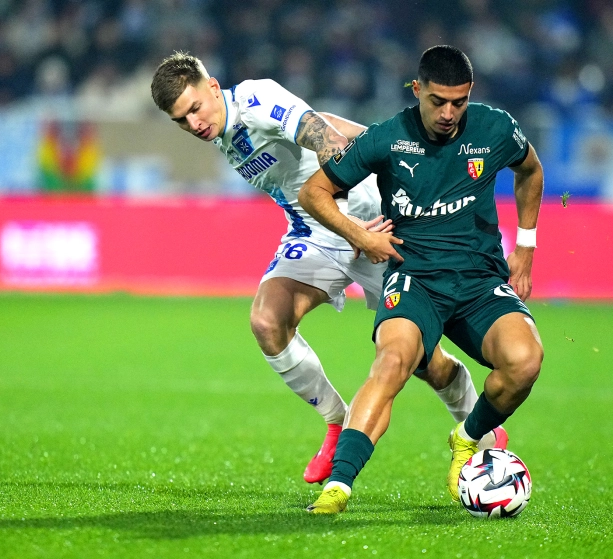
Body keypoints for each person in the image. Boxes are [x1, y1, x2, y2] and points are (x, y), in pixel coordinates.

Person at [149, 52, 504, 485]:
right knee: (267, 321)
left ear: (211, 86)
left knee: (421, 360)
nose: (194, 124)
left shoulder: (256, 100)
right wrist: (371, 141)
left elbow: (327, 142)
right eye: (181, 120)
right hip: (314, 231)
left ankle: (481, 431)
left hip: (370, 221)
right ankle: (337, 422)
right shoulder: (223, 129)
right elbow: (325, 123)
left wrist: (354, 225)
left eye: (195, 109)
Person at [299, 45, 545, 514]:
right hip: (415, 280)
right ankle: (338, 486)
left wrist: (526, 246)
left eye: (459, 102)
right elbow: (314, 192)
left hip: (479, 280)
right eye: (438, 101)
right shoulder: (387, 138)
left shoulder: (495, 128)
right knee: (392, 362)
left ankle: (466, 437)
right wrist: (360, 235)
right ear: (417, 90)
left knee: (525, 361)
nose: (449, 113)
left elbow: (530, 169)